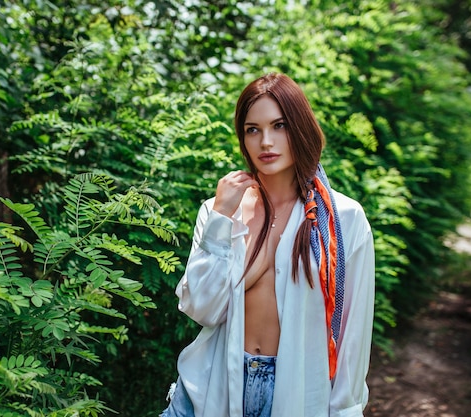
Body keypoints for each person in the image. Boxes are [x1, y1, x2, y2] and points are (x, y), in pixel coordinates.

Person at [160, 73, 375, 417]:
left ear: (300, 128)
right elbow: (202, 308)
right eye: (253, 129)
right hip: (209, 390)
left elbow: (352, 333)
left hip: (294, 393)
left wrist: (345, 410)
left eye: (280, 126)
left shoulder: (342, 220)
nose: (266, 142)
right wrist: (221, 218)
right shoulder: (219, 210)